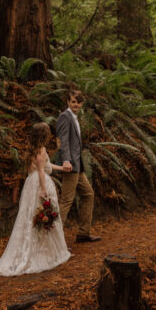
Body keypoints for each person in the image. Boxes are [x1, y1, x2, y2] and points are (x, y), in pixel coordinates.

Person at [0, 122, 71, 277]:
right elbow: (42, 171)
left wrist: (61, 168)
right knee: (42, 216)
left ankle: (47, 251)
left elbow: (46, 165)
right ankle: (43, 254)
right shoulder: (41, 150)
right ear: (44, 136)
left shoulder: (33, 150)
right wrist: (43, 189)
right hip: (39, 184)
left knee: (32, 218)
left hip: (30, 184)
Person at [56, 90, 101, 243]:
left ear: (82, 104)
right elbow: (63, 140)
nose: (76, 104)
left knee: (88, 194)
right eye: (73, 102)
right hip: (70, 164)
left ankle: (83, 233)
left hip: (77, 164)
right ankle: (54, 240)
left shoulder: (74, 118)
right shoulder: (65, 116)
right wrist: (66, 160)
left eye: (78, 102)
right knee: (67, 200)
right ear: (68, 102)